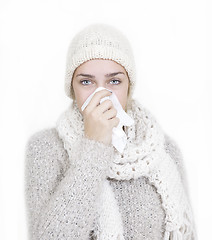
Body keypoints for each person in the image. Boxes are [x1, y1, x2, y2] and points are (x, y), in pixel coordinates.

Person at [24, 23, 197, 240]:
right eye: (86, 82)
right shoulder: (46, 147)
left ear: (128, 87)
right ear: (72, 88)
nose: (102, 95)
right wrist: (94, 146)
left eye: (114, 81)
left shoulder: (164, 150)